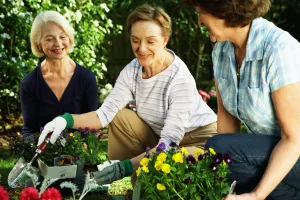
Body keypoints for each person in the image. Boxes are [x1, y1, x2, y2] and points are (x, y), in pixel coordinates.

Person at [37, 4, 217, 186]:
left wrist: (125, 167)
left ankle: (128, 175)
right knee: (120, 117)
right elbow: (104, 115)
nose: (142, 48)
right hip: (161, 136)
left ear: (164, 40)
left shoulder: (179, 79)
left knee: (179, 164)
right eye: (135, 40)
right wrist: (66, 120)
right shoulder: (132, 70)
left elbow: (169, 144)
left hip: (200, 140)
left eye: (150, 41)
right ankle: (125, 183)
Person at [183, 0, 300, 199]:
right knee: (220, 154)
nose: (199, 21)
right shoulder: (221, 52)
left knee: (219, 149)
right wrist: (220, 177)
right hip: (276, 156)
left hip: (294, 149)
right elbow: (227, 129)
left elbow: (293, 138)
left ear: (223, 10)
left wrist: (256, 195)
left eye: (200, 11)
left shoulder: (279, 49)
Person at [21, 10, 98, 191]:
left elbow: (93, 127)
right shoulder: (29, 83)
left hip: (77, 157)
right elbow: (29, 130)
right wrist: (42, 154)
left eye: (62, 36)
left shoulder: (86, 79)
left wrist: (82, 154)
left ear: (69, 38)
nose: (58, 44)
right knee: (34, 188)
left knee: (75, 186)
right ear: (38, 44)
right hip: (45, 157)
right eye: (49, 39)